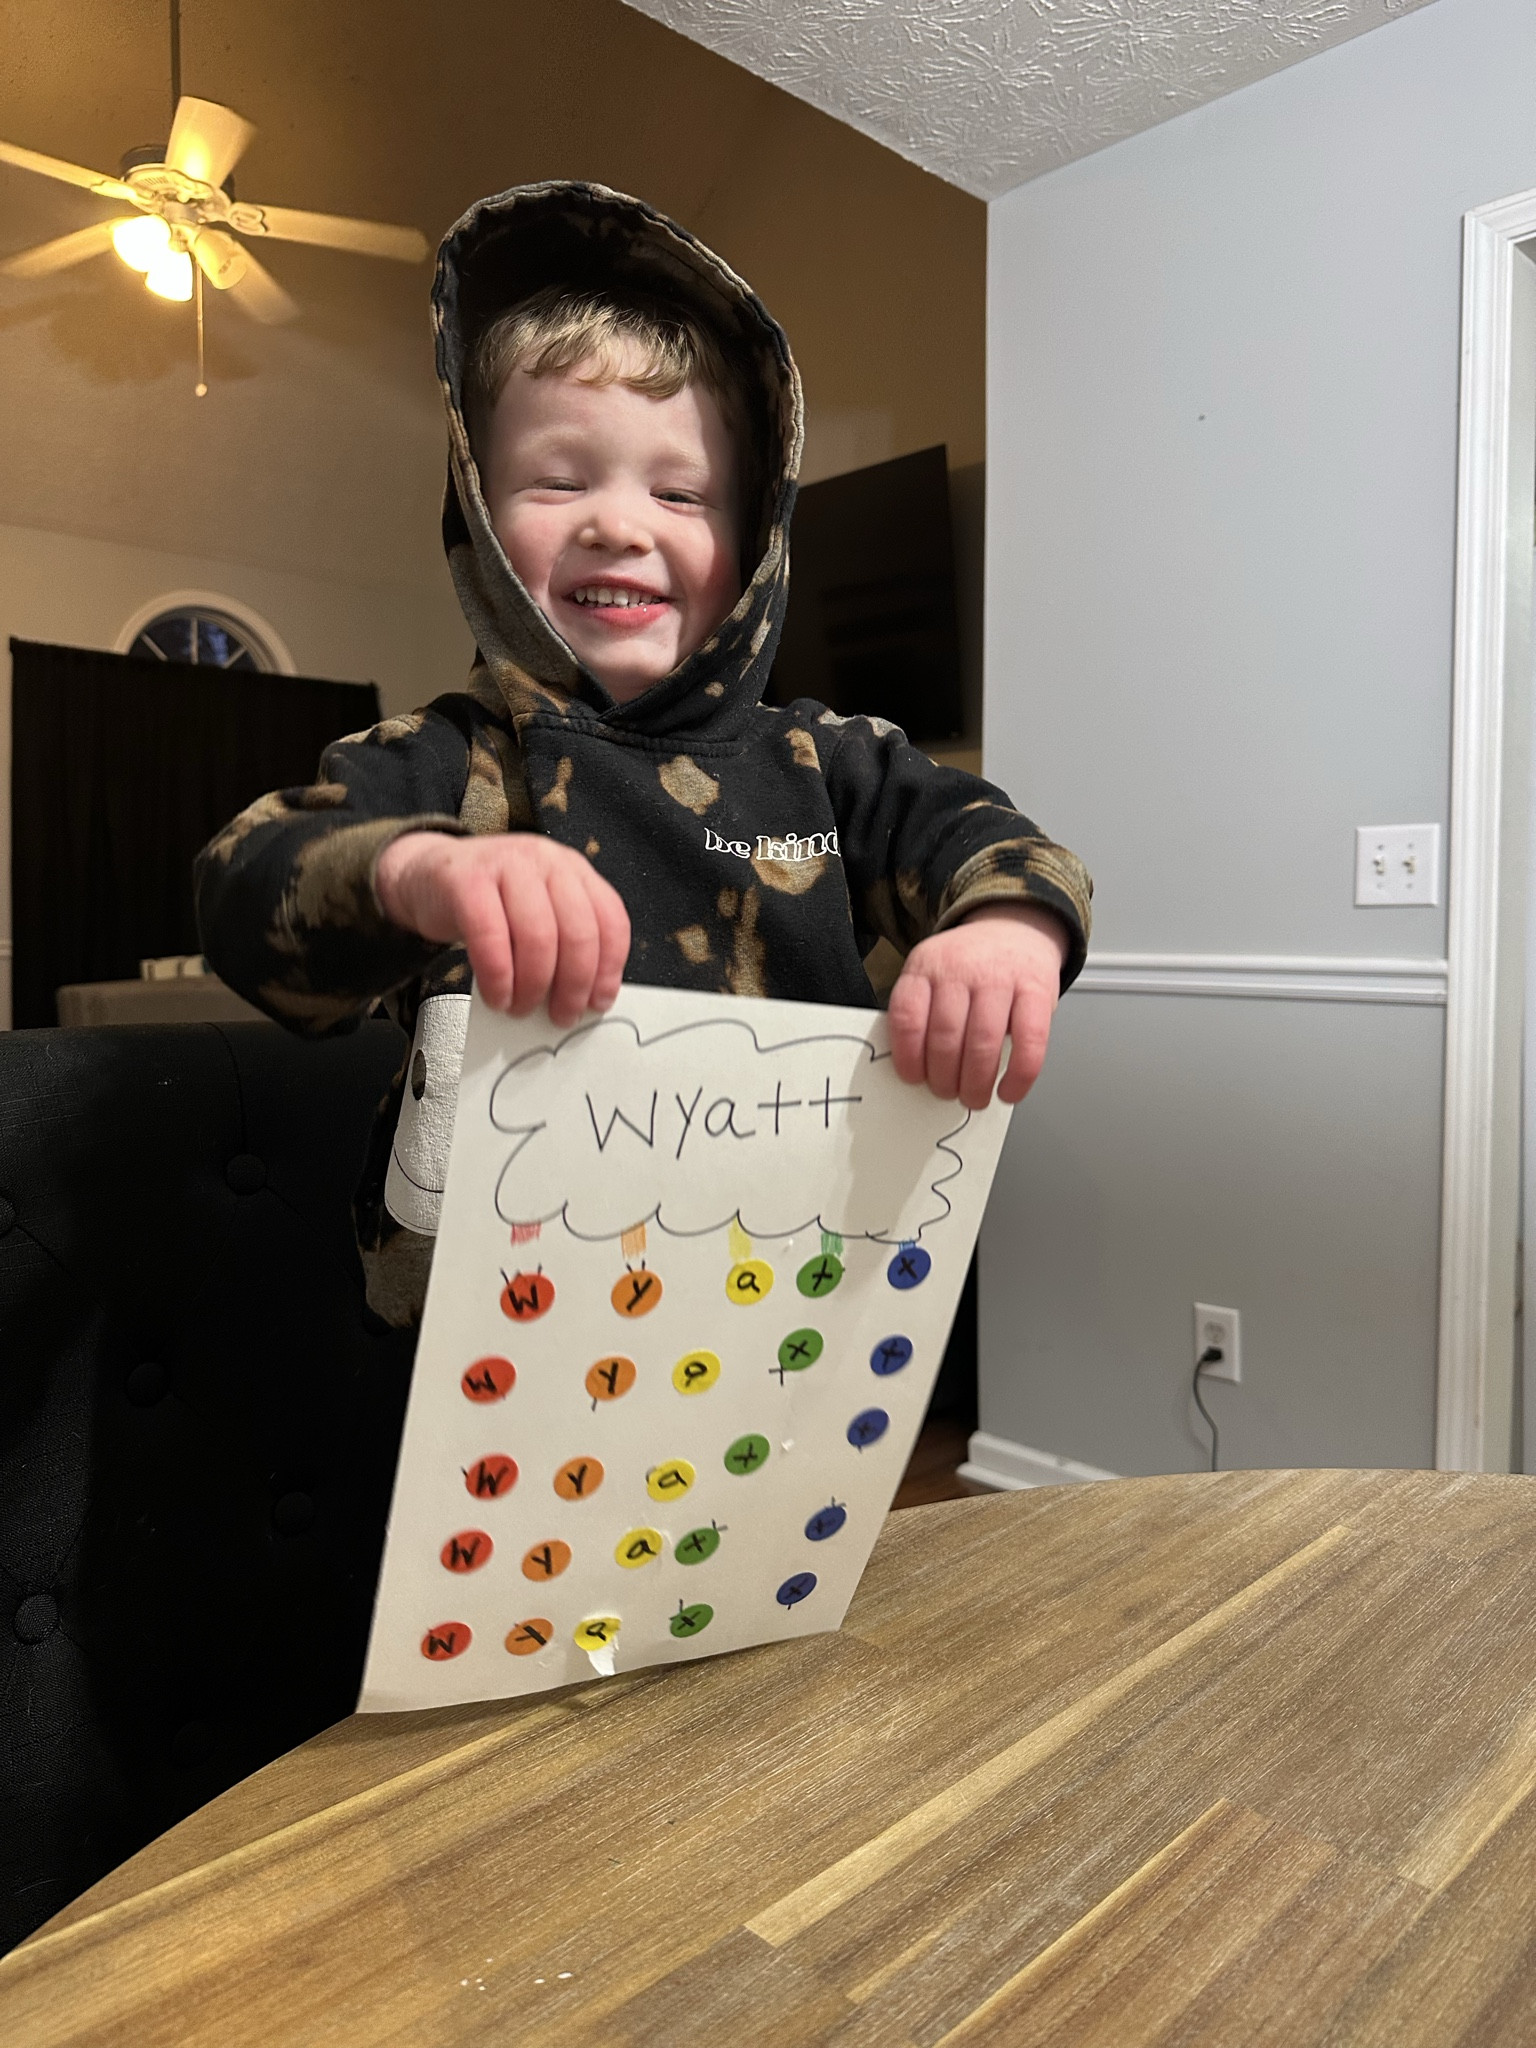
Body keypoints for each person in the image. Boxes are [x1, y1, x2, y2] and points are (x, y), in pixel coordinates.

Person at [196, 181, 1093, 1326]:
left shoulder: (831, 762)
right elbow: (241, 886)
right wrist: (422, 872)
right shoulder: (441, 760)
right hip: (478, 1349)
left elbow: (996, 840)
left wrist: (1008, 927)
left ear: (755, 537)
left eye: (680, 492)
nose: (619, 523)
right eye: (559, 480)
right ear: (479, 510)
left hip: (780, 1308)